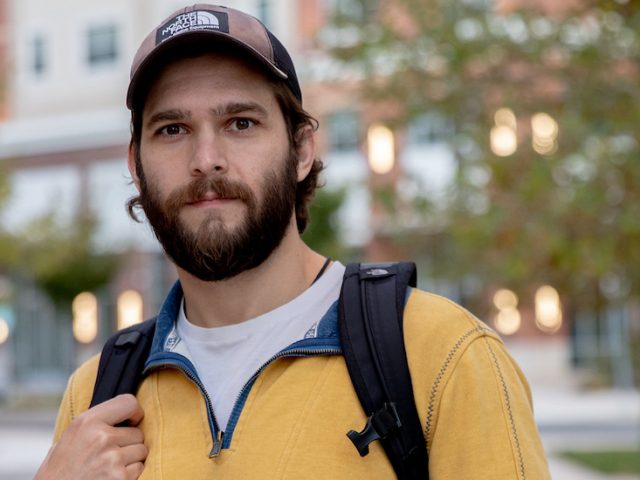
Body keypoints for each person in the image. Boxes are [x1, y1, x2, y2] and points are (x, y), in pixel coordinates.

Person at [36, 4, 551, 479]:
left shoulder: (442, 355)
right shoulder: (99, 392)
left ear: (302, 149)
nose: (205, 158)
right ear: (136, 165)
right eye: (172, 129)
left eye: (241, 123)